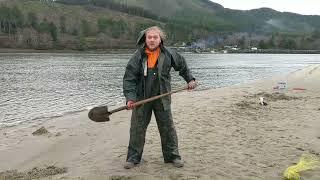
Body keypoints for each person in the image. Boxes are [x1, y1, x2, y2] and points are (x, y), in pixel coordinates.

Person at [122, 26, 197, 169]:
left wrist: (190, 80)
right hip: (141, 99)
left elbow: (182, 66)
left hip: (163, 97)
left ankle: (172, 156)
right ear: (145, 39)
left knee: (167, 127)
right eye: (149, 37)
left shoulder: (169, 54)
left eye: (155, 37)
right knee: (137, 128)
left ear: (160, 39)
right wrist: (130, 98)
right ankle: (133, 158)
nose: (151, 40)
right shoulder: (137, 56)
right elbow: (129, 79)